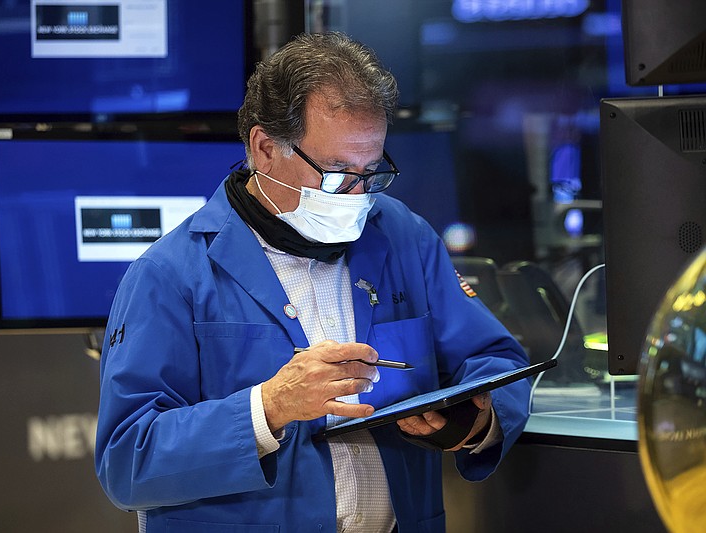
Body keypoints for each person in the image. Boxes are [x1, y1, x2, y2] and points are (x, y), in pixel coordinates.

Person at [95, 31, 530, 533]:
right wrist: (269, 407)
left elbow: (497, 363)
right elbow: (126, 462)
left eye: (371, 171)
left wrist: (472, 420)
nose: (354, 194)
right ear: (264, 148)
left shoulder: (401, 234)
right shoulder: (170, 275)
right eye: (335, 170)